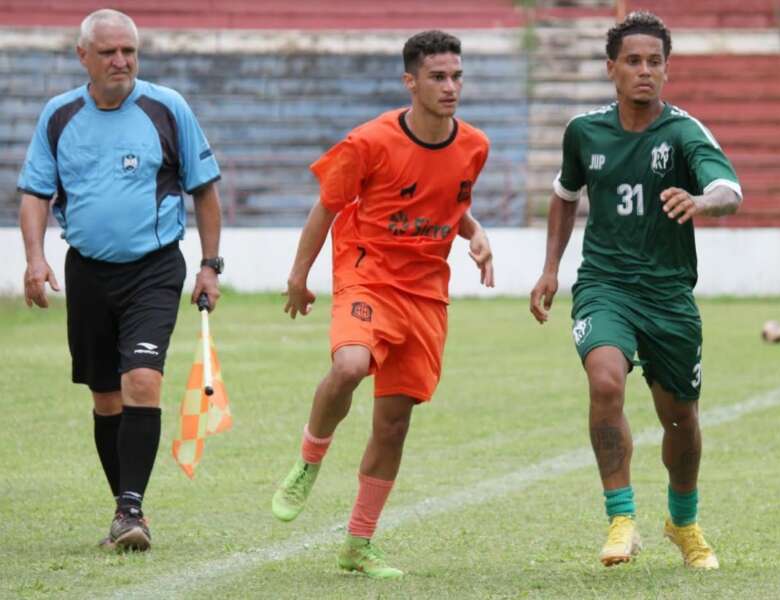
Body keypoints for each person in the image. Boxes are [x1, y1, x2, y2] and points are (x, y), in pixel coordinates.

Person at [270, 30, 494, 579]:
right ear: (410, 82)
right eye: (438, 77)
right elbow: (327, 207)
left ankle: (358, 543)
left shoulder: (474, 146)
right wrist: (299, 276)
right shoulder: (368, 142)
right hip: (366, 276)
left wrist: (476, 233)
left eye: (456, 76)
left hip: (425, 294)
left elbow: (447, 201)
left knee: (392, 425)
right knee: (350, 365)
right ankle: (309, 460)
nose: (450, 87)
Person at [529, 11, 741, 570]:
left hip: (668, 295)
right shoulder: (584, 132)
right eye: (633, 61)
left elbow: (729, 189)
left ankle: (683, 521)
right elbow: (564, 194)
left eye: (654, 61)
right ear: (612, 69)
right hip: (605, 286)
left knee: (681, 420)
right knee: (605, 382)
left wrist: (700, 201)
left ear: (667, 69)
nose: (644, 70)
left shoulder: (684, 132)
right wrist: (551, 268)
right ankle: (621, 518)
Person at [17, 9, 224, 552]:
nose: (121, 61)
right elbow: (36, 193)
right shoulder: (60, 115)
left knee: (143, 381)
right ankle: (124, 509)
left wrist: (210, 264)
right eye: (108, 52)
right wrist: (35, 258)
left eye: (129, 51)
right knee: (106, 397)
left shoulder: (167, 107)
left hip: (153, 269)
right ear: (82, 56)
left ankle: (132, 509)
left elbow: (204, 189)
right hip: (86, 272)